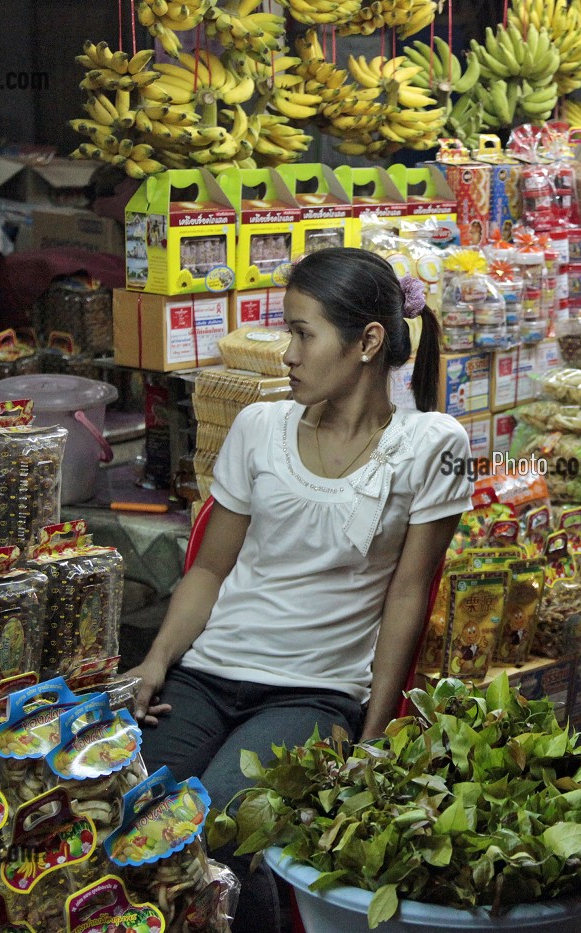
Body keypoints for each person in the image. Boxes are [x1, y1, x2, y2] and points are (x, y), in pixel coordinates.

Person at [126, 248, 471, 931]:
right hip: (206, 675)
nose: (287, 354)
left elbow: (408, 597)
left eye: (303, 334)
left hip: (313, 694)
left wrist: (374, 736)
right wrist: (156, 659)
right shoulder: (260, 427)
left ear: (367, 342)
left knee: (221, 829)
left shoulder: (433, 445)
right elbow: (209, 570)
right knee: (133, 812)